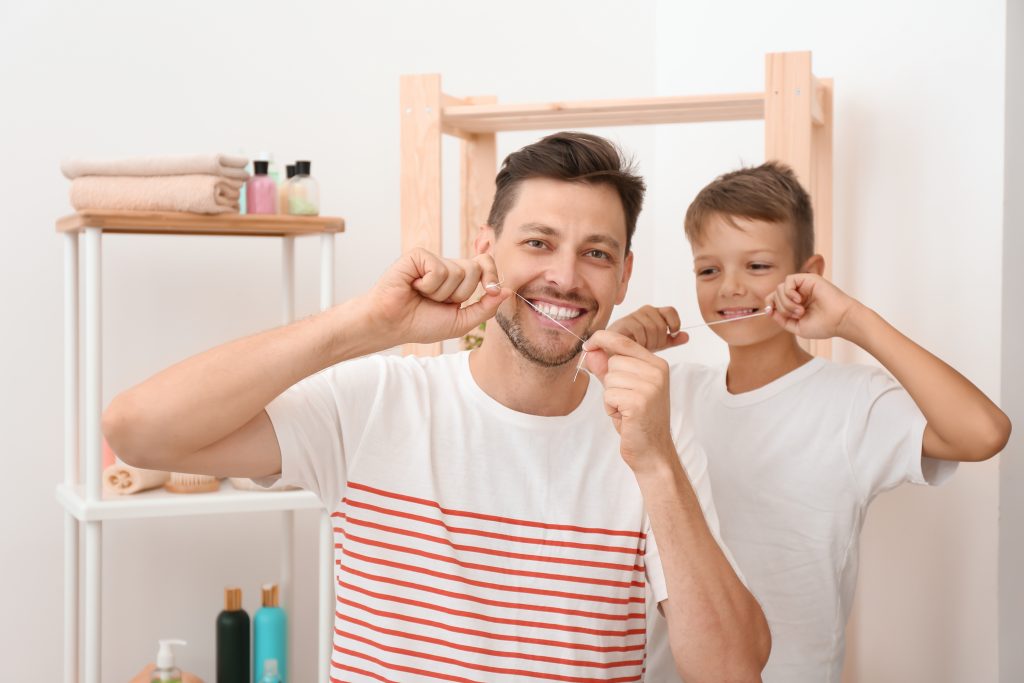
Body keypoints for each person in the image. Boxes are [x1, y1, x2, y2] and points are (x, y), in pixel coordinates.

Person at [103, 132, 770, 682]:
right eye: (537, 242)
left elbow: (734, 669)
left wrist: (653, 462)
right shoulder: (377, 403)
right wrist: (369, 324)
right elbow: (137, 431)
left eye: (595, 253)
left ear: (623, 274)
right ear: (486, 250)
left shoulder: (654, 436)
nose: (564, 276)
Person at [610, 161, 1012, 682]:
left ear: (809, 272)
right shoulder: (672, 389)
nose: (730, 288)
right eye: (708, 270)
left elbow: (983, 433)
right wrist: (617, 345)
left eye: (756, 266)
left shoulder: (851, 403)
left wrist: (851, 321)